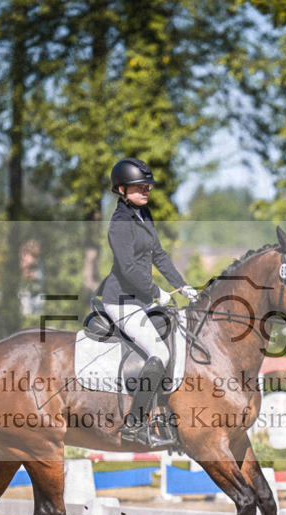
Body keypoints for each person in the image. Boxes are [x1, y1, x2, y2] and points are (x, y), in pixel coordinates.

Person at [99, 157, 198, 447]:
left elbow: (159, 255)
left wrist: (182, 285)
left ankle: (167, 419)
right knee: (160, 353)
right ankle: (135, 425)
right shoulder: (119, 222)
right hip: (121, 301)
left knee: (178, 341)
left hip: (141, 299)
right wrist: (157, 292)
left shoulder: (145, 214)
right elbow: (128, 267)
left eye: (147, 185)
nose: (146, 190)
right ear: (120, 189)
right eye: (139, 186)